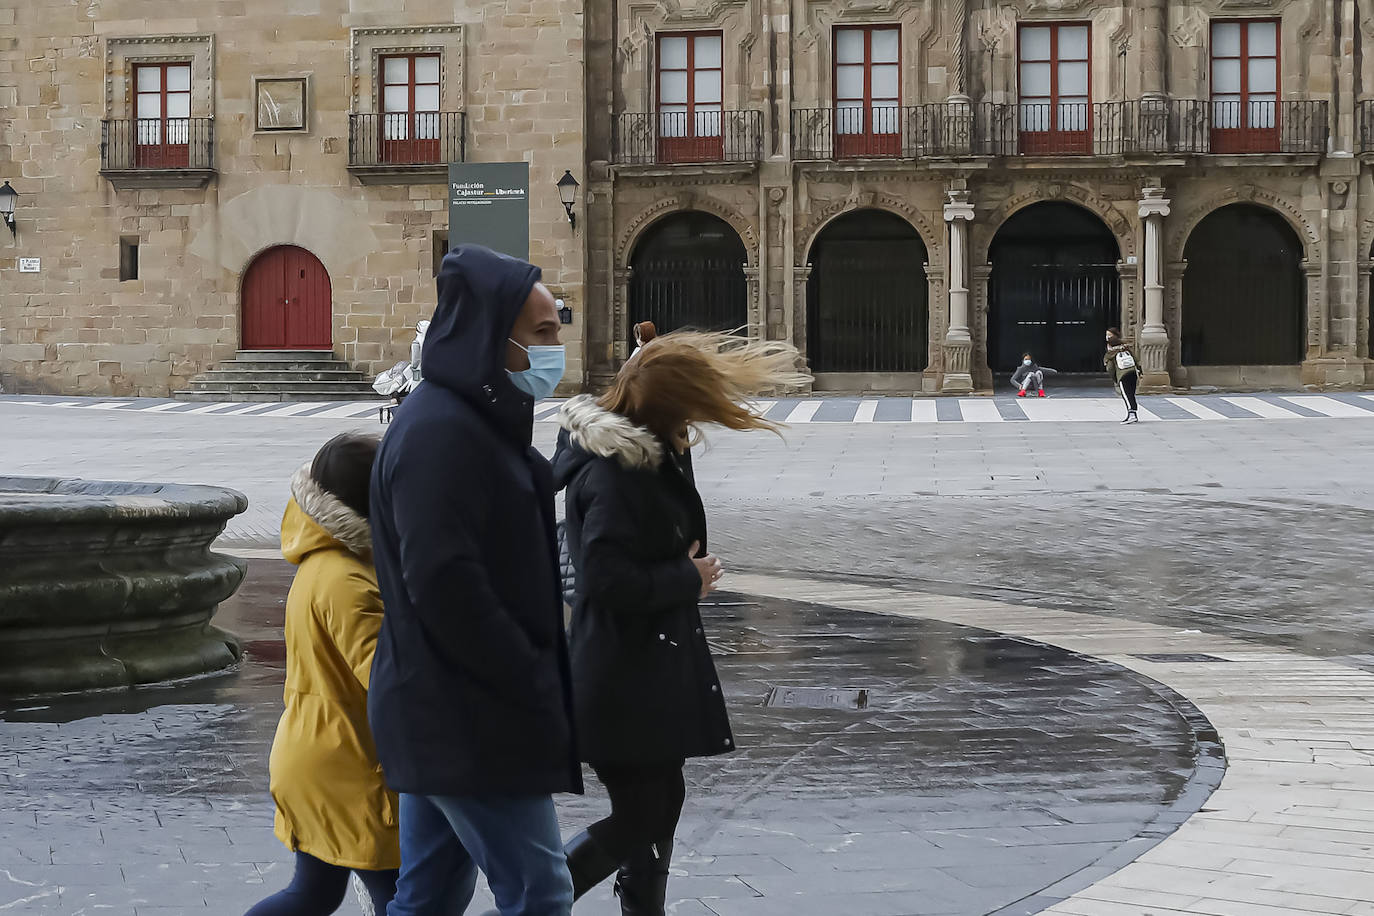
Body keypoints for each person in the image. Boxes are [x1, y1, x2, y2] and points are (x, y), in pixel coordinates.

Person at [551, 331, 810, 915]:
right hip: (624, 673)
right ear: (671, 410)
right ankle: (540, 897)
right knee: (644, 809)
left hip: (644, 664)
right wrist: (687, 579)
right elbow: (605, 579)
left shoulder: (650, 454)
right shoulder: (619, 473)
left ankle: (642, 907)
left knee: (661, 799)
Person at [368, 244, 582, 916]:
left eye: (556, 331)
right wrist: (523, 670)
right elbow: (443, 579)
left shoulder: (472, 419)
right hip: (467, 711)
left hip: (446, 704)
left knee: (429, 895)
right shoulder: (442, 432)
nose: (555, 349)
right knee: (540, 892)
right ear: (494, 335)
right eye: (542, 333)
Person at [246, 433, 401, 916]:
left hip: (317, 756)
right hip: (348, 769)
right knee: (402, 900)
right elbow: (388, 681)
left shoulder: (327, 562)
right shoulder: (347, 580)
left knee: (313, 894)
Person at [1105, 328, 1140, 424]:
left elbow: (1110, 368)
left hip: (1122, 375)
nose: (1107, 337)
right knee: (1131, 394)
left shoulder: (1110, 353)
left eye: (1109, 335)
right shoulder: (1126, 347)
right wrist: (1139, 370)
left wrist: (1115, 379)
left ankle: (1132, 414)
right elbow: (1136, 359)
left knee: (1126, 395)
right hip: (1133, 373)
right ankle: (1133, 414)